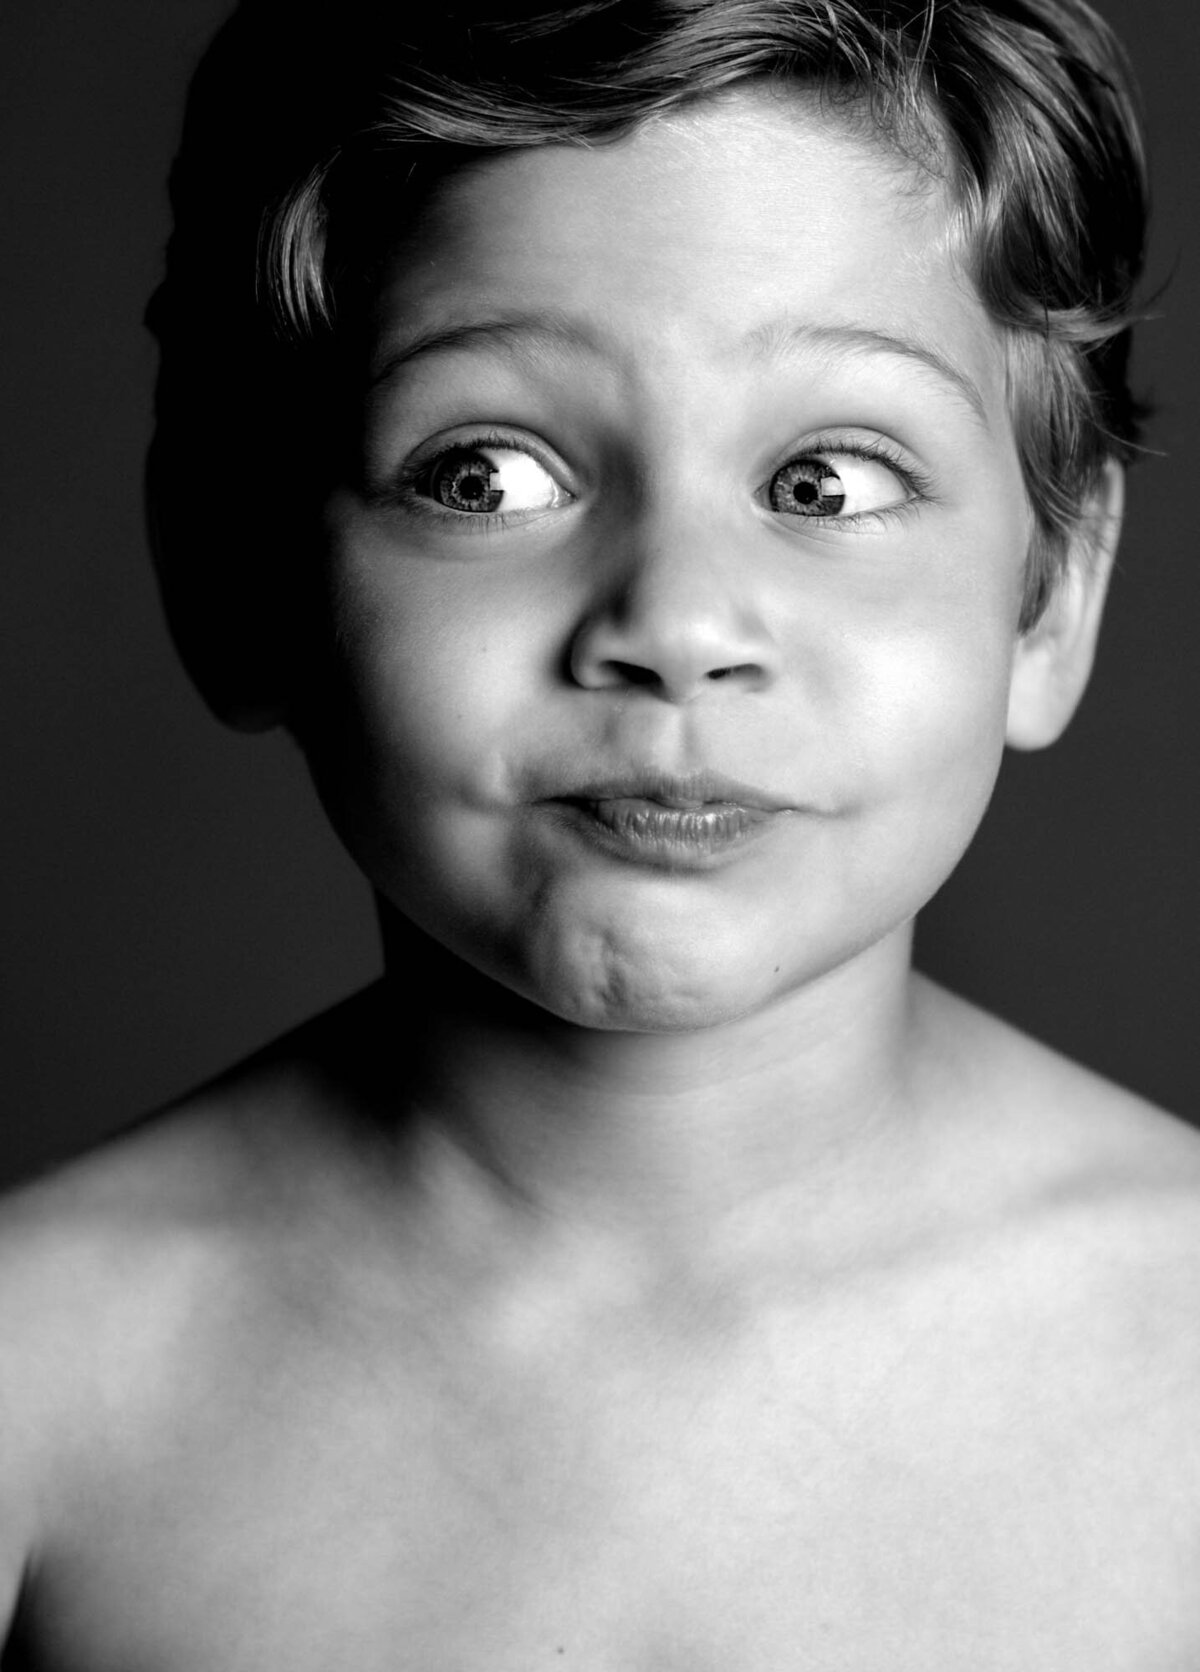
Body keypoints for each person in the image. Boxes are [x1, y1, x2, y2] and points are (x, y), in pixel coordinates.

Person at [2, 0, 1198, 1664]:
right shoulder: (38, 1393)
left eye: (826, 482)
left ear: (1052, 591)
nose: (678, 618)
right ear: (231, 571)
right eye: (484, 474)